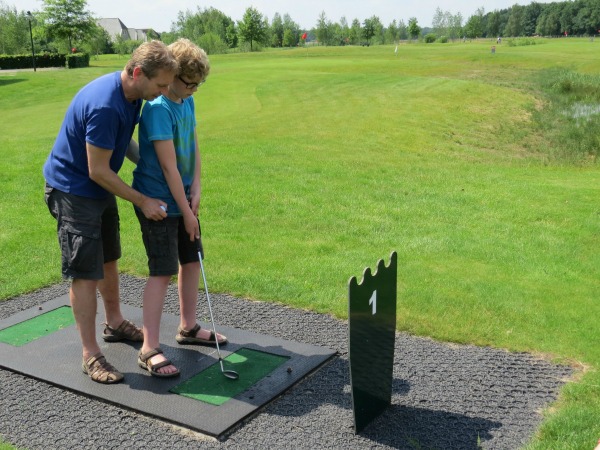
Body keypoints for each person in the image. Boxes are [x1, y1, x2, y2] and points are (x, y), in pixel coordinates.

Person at [43, 40, 179, 384]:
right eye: (161, 85)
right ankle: (91, 355)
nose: (165, 91)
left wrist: (154, 166)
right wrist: (143, 199)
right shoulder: (106, 105)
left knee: (108, 259)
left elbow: (123, 144)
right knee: (85, 271)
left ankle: (115, 322)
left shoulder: (132, 95)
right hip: (73, 191)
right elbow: (98, 170)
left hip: (97, 190)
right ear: (136, 73)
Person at [132, 38, 227, 378]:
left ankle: (187, 328)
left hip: (184, 197)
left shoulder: (186, 102)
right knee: (162, 269)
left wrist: (197, 188)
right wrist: (185, 212)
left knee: (191, 260)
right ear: (172, 76)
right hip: (158, 201)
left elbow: (195, 146)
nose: (192, 91)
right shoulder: (158, 109)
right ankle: (149, 348)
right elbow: (169, 167)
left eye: (197, 87)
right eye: (189, 84)